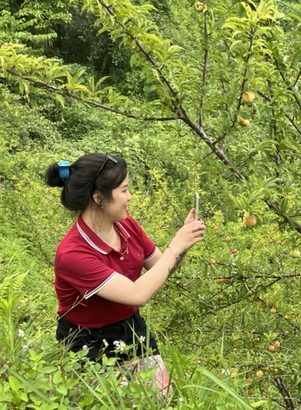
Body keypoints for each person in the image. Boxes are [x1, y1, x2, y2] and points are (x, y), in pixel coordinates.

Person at [45, 153, 205, 393]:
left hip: (131, 327)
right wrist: (175, 245)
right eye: (124, 190)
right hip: (87, 340)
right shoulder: (73, 254)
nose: (130, 197)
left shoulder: (126, 226)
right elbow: (137, 294)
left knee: (161, 400)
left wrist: (183, 244)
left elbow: (162, 268)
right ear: (99, 198)